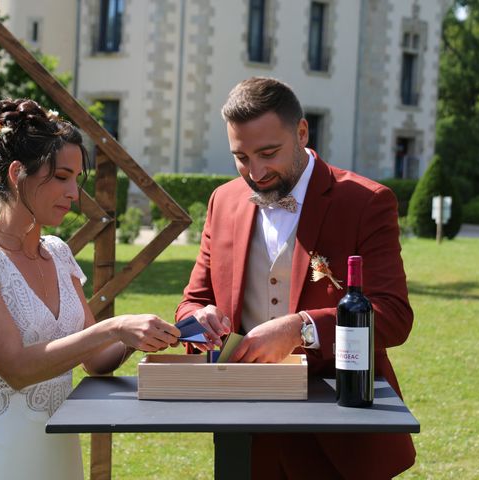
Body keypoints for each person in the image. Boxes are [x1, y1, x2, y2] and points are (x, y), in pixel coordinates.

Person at [176, 77, 416, 479]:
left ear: (302, 132)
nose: (255, 171)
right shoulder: (223, 201)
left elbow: (392, 316)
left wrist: (302, 328)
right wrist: (197, 321)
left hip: (339, 437)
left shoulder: (365, 202)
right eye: (241, 157)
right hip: (245, 435)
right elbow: (192, 301)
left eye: (268, 153)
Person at [0, 98, 180, 480]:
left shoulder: (59, 253)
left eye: (76, 179)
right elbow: (17, 369)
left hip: (60, 456)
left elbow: (95, 360)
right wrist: (113, 326)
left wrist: (143, 333)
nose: (73, 193)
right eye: (62, 177)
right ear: (18, 173)